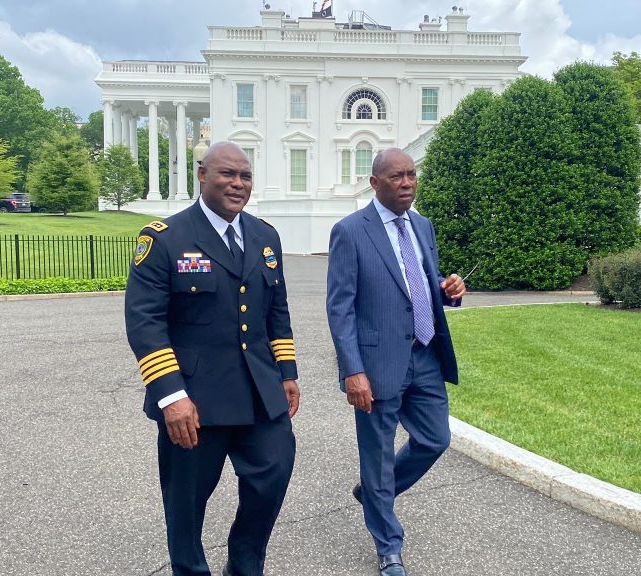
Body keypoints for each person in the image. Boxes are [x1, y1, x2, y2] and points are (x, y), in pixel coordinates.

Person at [124, 142, 300, 576]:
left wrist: (287, 372)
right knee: (186, 504)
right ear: (202, 175)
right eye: (227, 174)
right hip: (194, 400)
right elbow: (145, 323)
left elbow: (276, 310)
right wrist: (171, 397)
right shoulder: (165, 238)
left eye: (245, 176)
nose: (238, 184)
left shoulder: (265, 236)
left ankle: (244, 566)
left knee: (273, 473)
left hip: (259, 391)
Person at [326, 148, 466, 576]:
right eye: (396, 177)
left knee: (435, 439)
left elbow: (419, 282)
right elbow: (340, 308)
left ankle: (374, 493)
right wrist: (353, 370)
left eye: (411, 175)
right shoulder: (350, 231)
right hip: (376, 364)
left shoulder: (422, 225)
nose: (407, 183)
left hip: (424, 354)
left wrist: (446, 290)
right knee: (378, 457)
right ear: (374, 183)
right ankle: (389, 547)